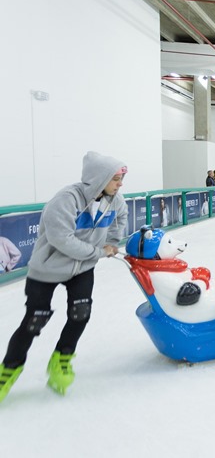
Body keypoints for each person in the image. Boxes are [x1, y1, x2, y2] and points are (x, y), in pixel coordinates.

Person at [0, 152, 129, 401]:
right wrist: (99, 251)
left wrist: (112, 241)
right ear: (99, 179)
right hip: (47, 269)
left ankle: (61, 359)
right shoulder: (66, 200)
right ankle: (9, 369)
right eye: (116, 179)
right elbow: (62, 240)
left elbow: (120, 220)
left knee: (81, 314)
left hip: (81, 269)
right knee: (35, 320)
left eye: (121, 178)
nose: (120, 184)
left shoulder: (115, 200)